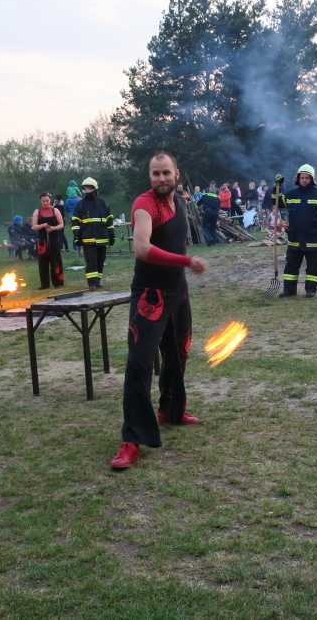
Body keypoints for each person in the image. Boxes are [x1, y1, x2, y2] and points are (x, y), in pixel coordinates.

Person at [110, 152, 209, 471]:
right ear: (149, 176)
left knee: (179, 352)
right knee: (140, 362)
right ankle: (132, 439)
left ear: (176, 174)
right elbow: (141, 248)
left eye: (166, 172)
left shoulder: (179, 201)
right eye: (155, 173)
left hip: (177, 290)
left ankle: (171, 410)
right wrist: (186, 261)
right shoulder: (144, 204)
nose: (161, 178)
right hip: (149, 294)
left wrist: (183, 268)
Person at [274, 164, 317, 298]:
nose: (304, 180)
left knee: (313, 267)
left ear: (311, 179)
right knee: (291, 266)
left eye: (307, 178)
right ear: (298, 179)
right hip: (295, 237)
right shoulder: (291, 194)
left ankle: (311, 289)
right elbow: (277, 202)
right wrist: (276, 186)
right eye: (302, 178)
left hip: (314, 238)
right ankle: (289, 290)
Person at [70, 177, 114, 290]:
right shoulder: (80, 205)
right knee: (91, 261)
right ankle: (92, 283)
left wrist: (111, 234)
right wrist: (77, 236)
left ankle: (97, 281)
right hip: (88, 239)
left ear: (95, 189)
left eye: (89, 188)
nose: (87, 190)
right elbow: (75, 221)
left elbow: (109, 220)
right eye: (85, 188)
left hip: (102, 238)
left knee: (100, 261)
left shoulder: (103, 204)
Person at [32, 192, 65, 290]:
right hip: (42, 241)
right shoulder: (37, 212)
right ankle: (45, 284)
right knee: (43, 262)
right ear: (40, 201)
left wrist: (53, 228)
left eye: (47, 201)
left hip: (54, 239)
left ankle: (57, 282)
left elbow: (61, 224)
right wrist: (42, 225)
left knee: (56, 260)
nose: (45, 202)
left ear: (50, 200)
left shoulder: (55, 210)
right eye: (43, 201)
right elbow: (34, 226)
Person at [196, 182, 221, 246]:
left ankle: (209, 237)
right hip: (215, 212)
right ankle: (214, 242)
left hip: (208, 211)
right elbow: (219, 206)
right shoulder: (217, 197)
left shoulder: (205, 195)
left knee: (204, 226)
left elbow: (198, 203)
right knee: (213, 227)